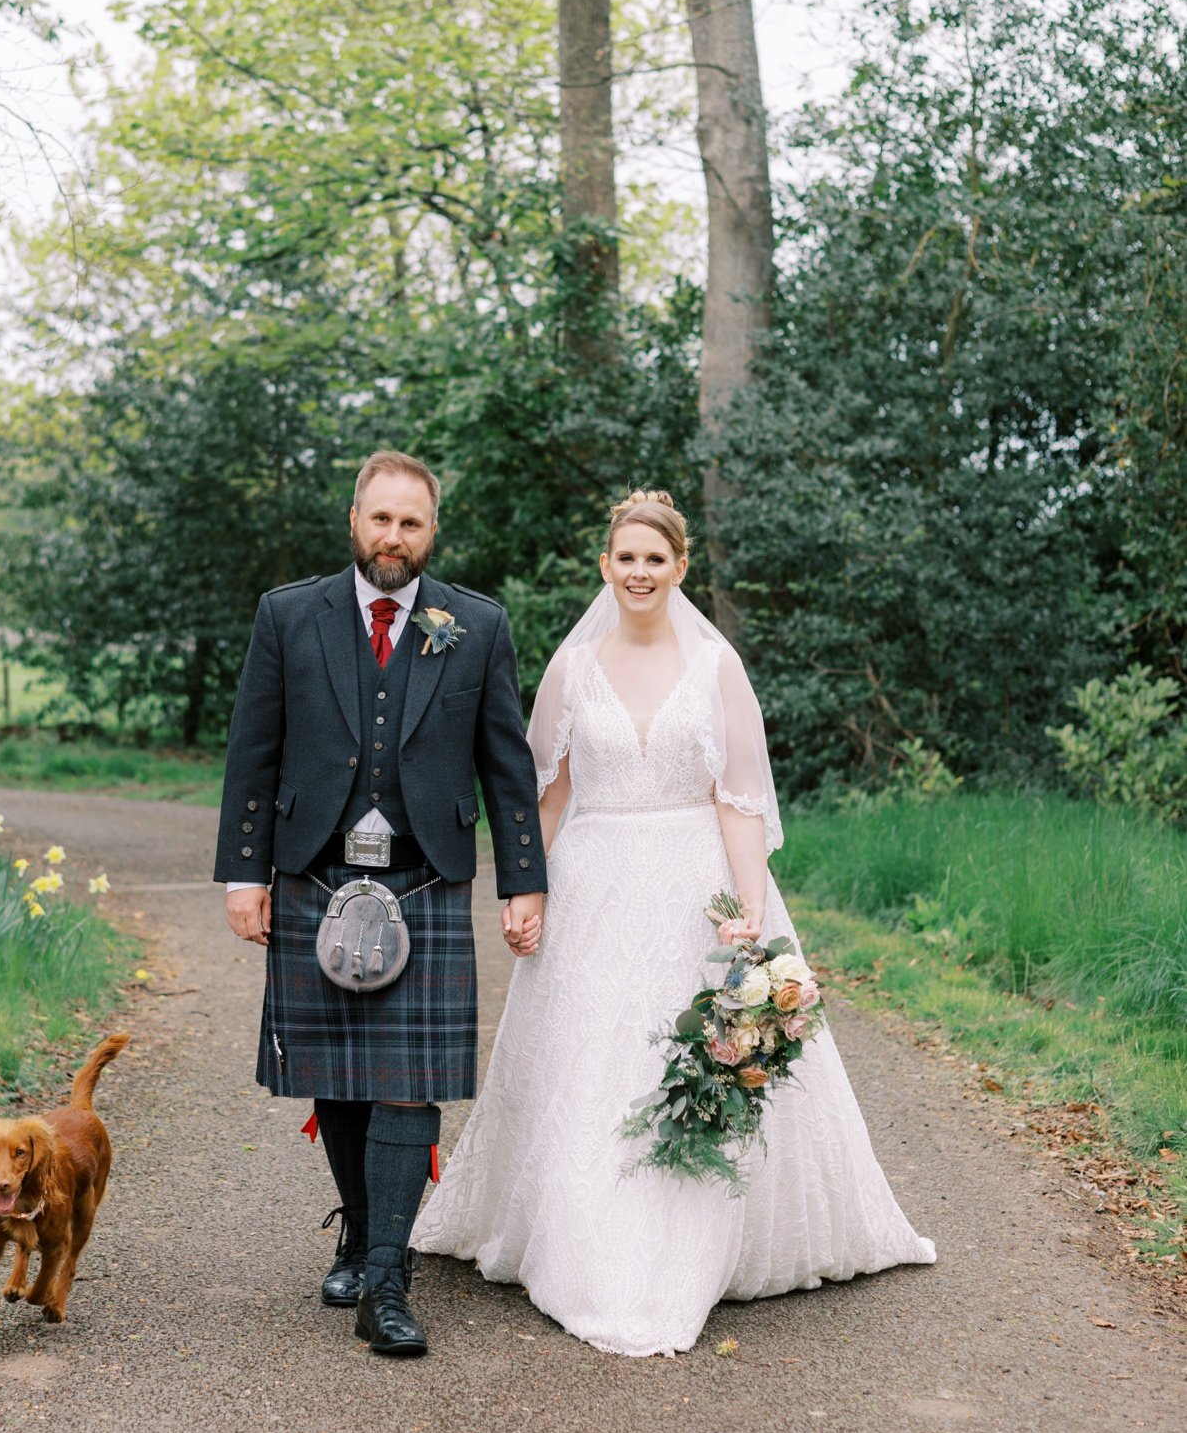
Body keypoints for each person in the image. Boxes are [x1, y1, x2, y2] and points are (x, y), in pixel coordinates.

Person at [414, 489, 935, 1356]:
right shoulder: (574, 669)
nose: (640, 573)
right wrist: (524, 888)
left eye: (655, 559)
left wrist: (751, 919)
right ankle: (584, 1247)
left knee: (691, 1054)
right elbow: (542, 794)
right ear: (605, 566)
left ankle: (695, 1245)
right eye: (626, 558)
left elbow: (737, 799)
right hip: (594, 886)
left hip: (697, 891)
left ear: (680, 567)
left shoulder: (716, 665)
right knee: (590, 1064)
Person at [215, 449, 547, 1357]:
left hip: (427, 875)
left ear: (431, 533)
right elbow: (255, 749)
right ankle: (361, 1234)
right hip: (312, 870)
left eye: (411, 523)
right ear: (353, 521)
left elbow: (506, 764)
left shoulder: (473, 624)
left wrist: (525, 879)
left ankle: (389, 1278)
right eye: (380, 519)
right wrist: (244, 874)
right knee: (341, 1072)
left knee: (411, 1083)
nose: (393, 537)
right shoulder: (290, 615)